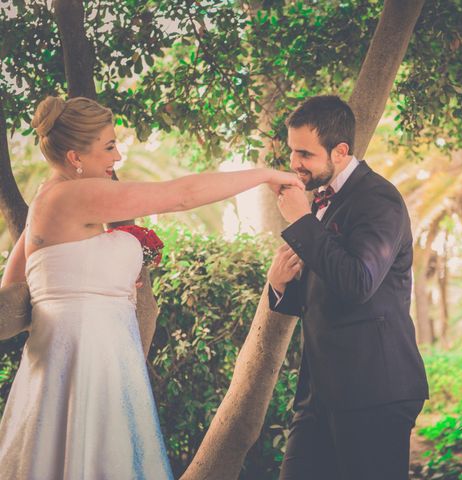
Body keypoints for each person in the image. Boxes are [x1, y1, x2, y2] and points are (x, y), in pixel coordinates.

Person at [0, 95, 303, 479]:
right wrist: (265, 175)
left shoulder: (46, 199)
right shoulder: (74, 194)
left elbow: (16, 288)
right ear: (75, 157)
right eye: (109, 146)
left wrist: (96, 281)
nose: (119, 156)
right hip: (88, 363)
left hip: (68, 358)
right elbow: (181, 196)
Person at [267, 95, 429, 480]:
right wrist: (279, 287)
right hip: (318, 395)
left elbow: (358, 283)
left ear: (340, 151)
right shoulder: (321, 202)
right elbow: (323, 295)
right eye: (292, 151)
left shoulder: (379, 200)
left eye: (305, 153)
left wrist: (301, 223)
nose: (294, 163)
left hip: (374, 389)